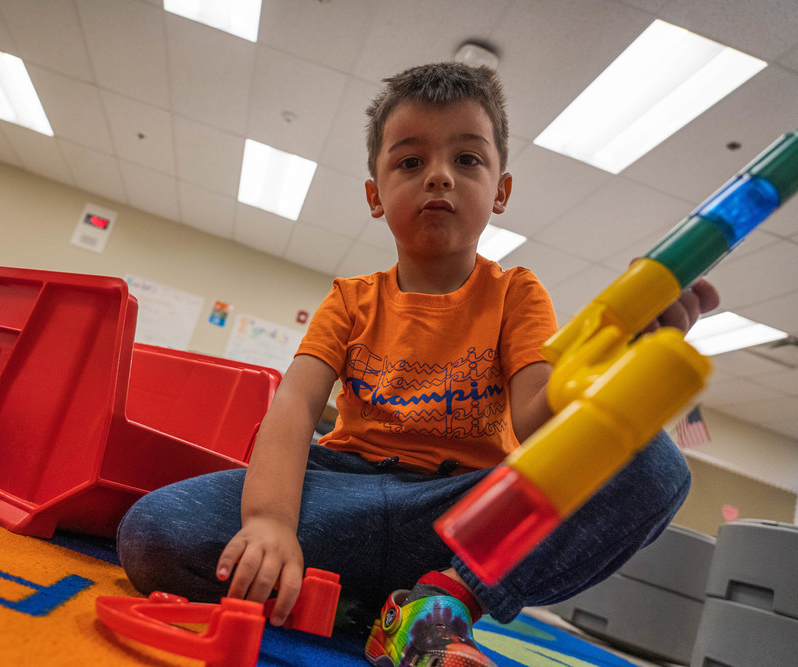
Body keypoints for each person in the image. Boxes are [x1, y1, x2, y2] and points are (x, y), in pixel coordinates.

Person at [117, 62, 719, 666]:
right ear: (375, 195)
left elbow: (541, 424)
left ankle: (442, 604)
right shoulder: (350, 298)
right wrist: (270, 521)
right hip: (341, 492)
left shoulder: (519, 294)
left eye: (467, 160)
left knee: (656, 464)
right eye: (411, 161)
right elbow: (295, 407)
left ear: (500, 190)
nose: (439, 176)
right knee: (153, 531)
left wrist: (616, 369)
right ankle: (366, 611)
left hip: (464, 515)